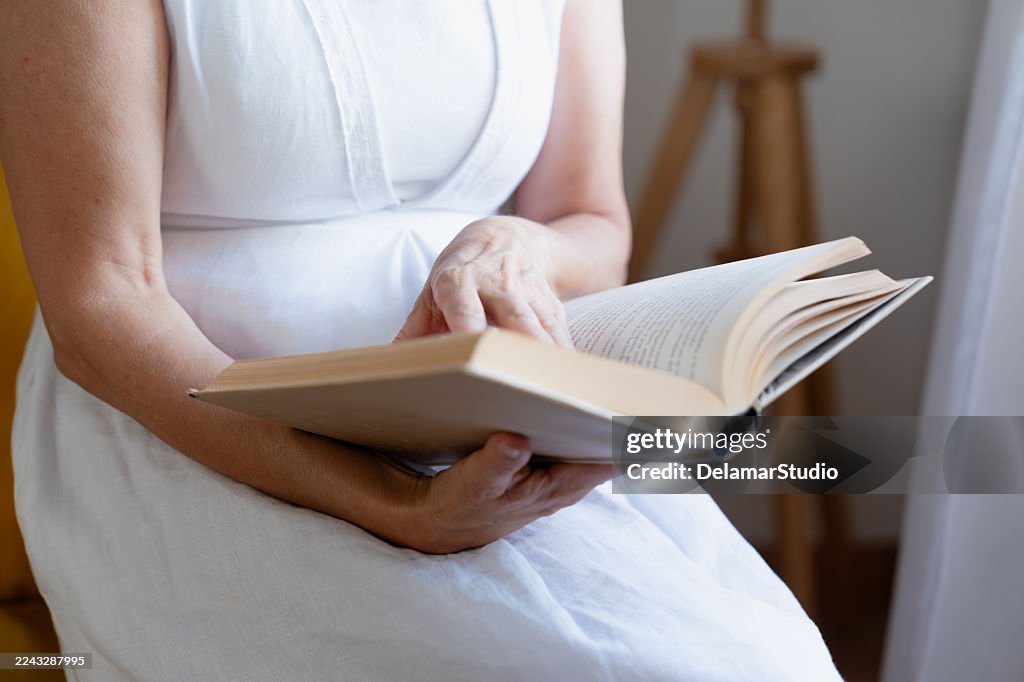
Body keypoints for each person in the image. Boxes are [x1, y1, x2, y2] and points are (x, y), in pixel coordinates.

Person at [0, 0, 841, 679]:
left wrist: (513, 243)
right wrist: (386, 503)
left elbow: (589, 220)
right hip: (192, 431)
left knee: (754, 661)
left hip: (485, 424)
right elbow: (100, 306)